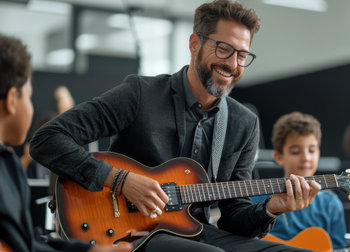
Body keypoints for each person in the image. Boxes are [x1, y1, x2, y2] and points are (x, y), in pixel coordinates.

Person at [29, 1, 321, 251]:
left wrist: (272, 207)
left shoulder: (244, 122)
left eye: (242, 55)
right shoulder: (140, 93)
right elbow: (48, 139)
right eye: (224, 49)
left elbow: (233, 217)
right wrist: (121, 180)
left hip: (197, 233)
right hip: (131, 235)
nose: (233, 64)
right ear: (195, 44)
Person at [0, 34, 131, 252]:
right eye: (29, 97)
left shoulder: (9, 166)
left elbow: (26, 244)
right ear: (13, 99)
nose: (30, 107)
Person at [253, 112, 346, 249]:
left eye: (312, 150)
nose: (306, 158)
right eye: (296, 151)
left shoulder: (331, 203)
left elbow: (339, 248)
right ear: (278, 157)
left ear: (319, 154)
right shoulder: (259, 198)